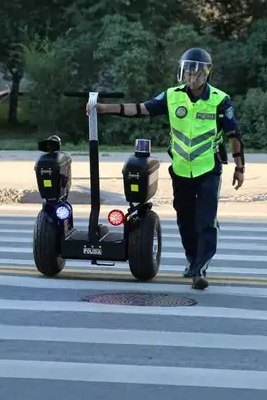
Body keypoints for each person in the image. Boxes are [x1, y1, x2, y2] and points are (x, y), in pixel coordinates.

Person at [86, 48, 245, 290]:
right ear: (183, 73)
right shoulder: (172, 96)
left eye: (198, 74)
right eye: (189, 73)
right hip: (181, 170)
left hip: (208, 169)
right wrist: (105, 109)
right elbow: (141, 109)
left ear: (207, 74)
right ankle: (193, 262)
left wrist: (239, 167)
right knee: (185, 220)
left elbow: (234, 135)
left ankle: (201, 268)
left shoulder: (220, 100)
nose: (193, 78)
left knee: (205, 220)